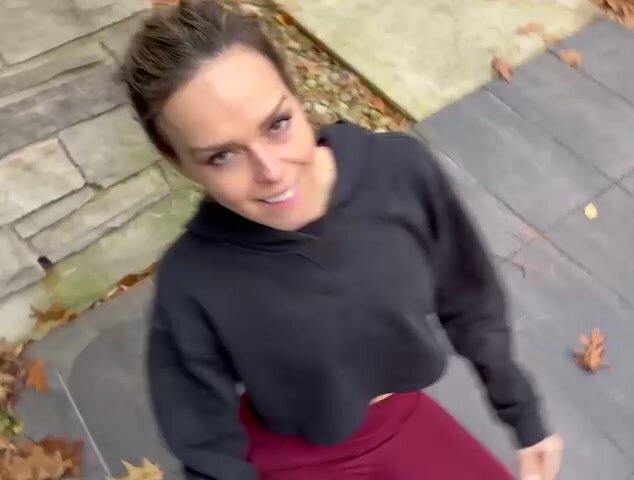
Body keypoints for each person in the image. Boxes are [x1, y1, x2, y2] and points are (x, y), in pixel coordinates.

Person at [119, 1, 563, 478]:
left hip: (402, 423)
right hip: (290, 458)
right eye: (222, 156)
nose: (271, 171)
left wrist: (523, 414)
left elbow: (469, 298)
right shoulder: (192, 281)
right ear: (179, 163)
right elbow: (205, 442)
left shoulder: (398, 172)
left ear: (296, 96)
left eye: (277, 124)